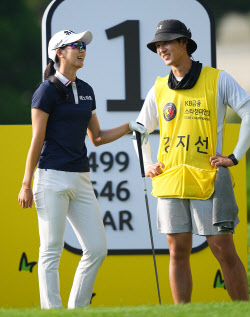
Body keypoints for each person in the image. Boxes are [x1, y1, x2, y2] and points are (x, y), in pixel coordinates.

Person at [18, 29, 148, 309]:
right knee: (51, 251)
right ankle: (53, 312)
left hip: (81, 178)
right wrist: (26, 184)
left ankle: (78, 310)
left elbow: (97, 137)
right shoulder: (46, 90)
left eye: (83, 45)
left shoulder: (86, 90)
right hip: (50, 178)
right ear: (59, 53)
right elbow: (37, 139)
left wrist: (128, 127)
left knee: (97, 249)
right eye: (74, 45)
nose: (82, 49)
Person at [136, 19, 250, 303]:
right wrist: (146, 163)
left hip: (208, 179)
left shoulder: (217, 78)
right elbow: (140, 130)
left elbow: (248, 111)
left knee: (223, 248)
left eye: (167, 42)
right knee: (177, 251)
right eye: (158, 45)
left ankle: (242, 308)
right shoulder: (159, 88)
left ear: (184, 43)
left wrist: (235, 156)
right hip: (171, 180)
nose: (161, 48)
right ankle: (181, 312)